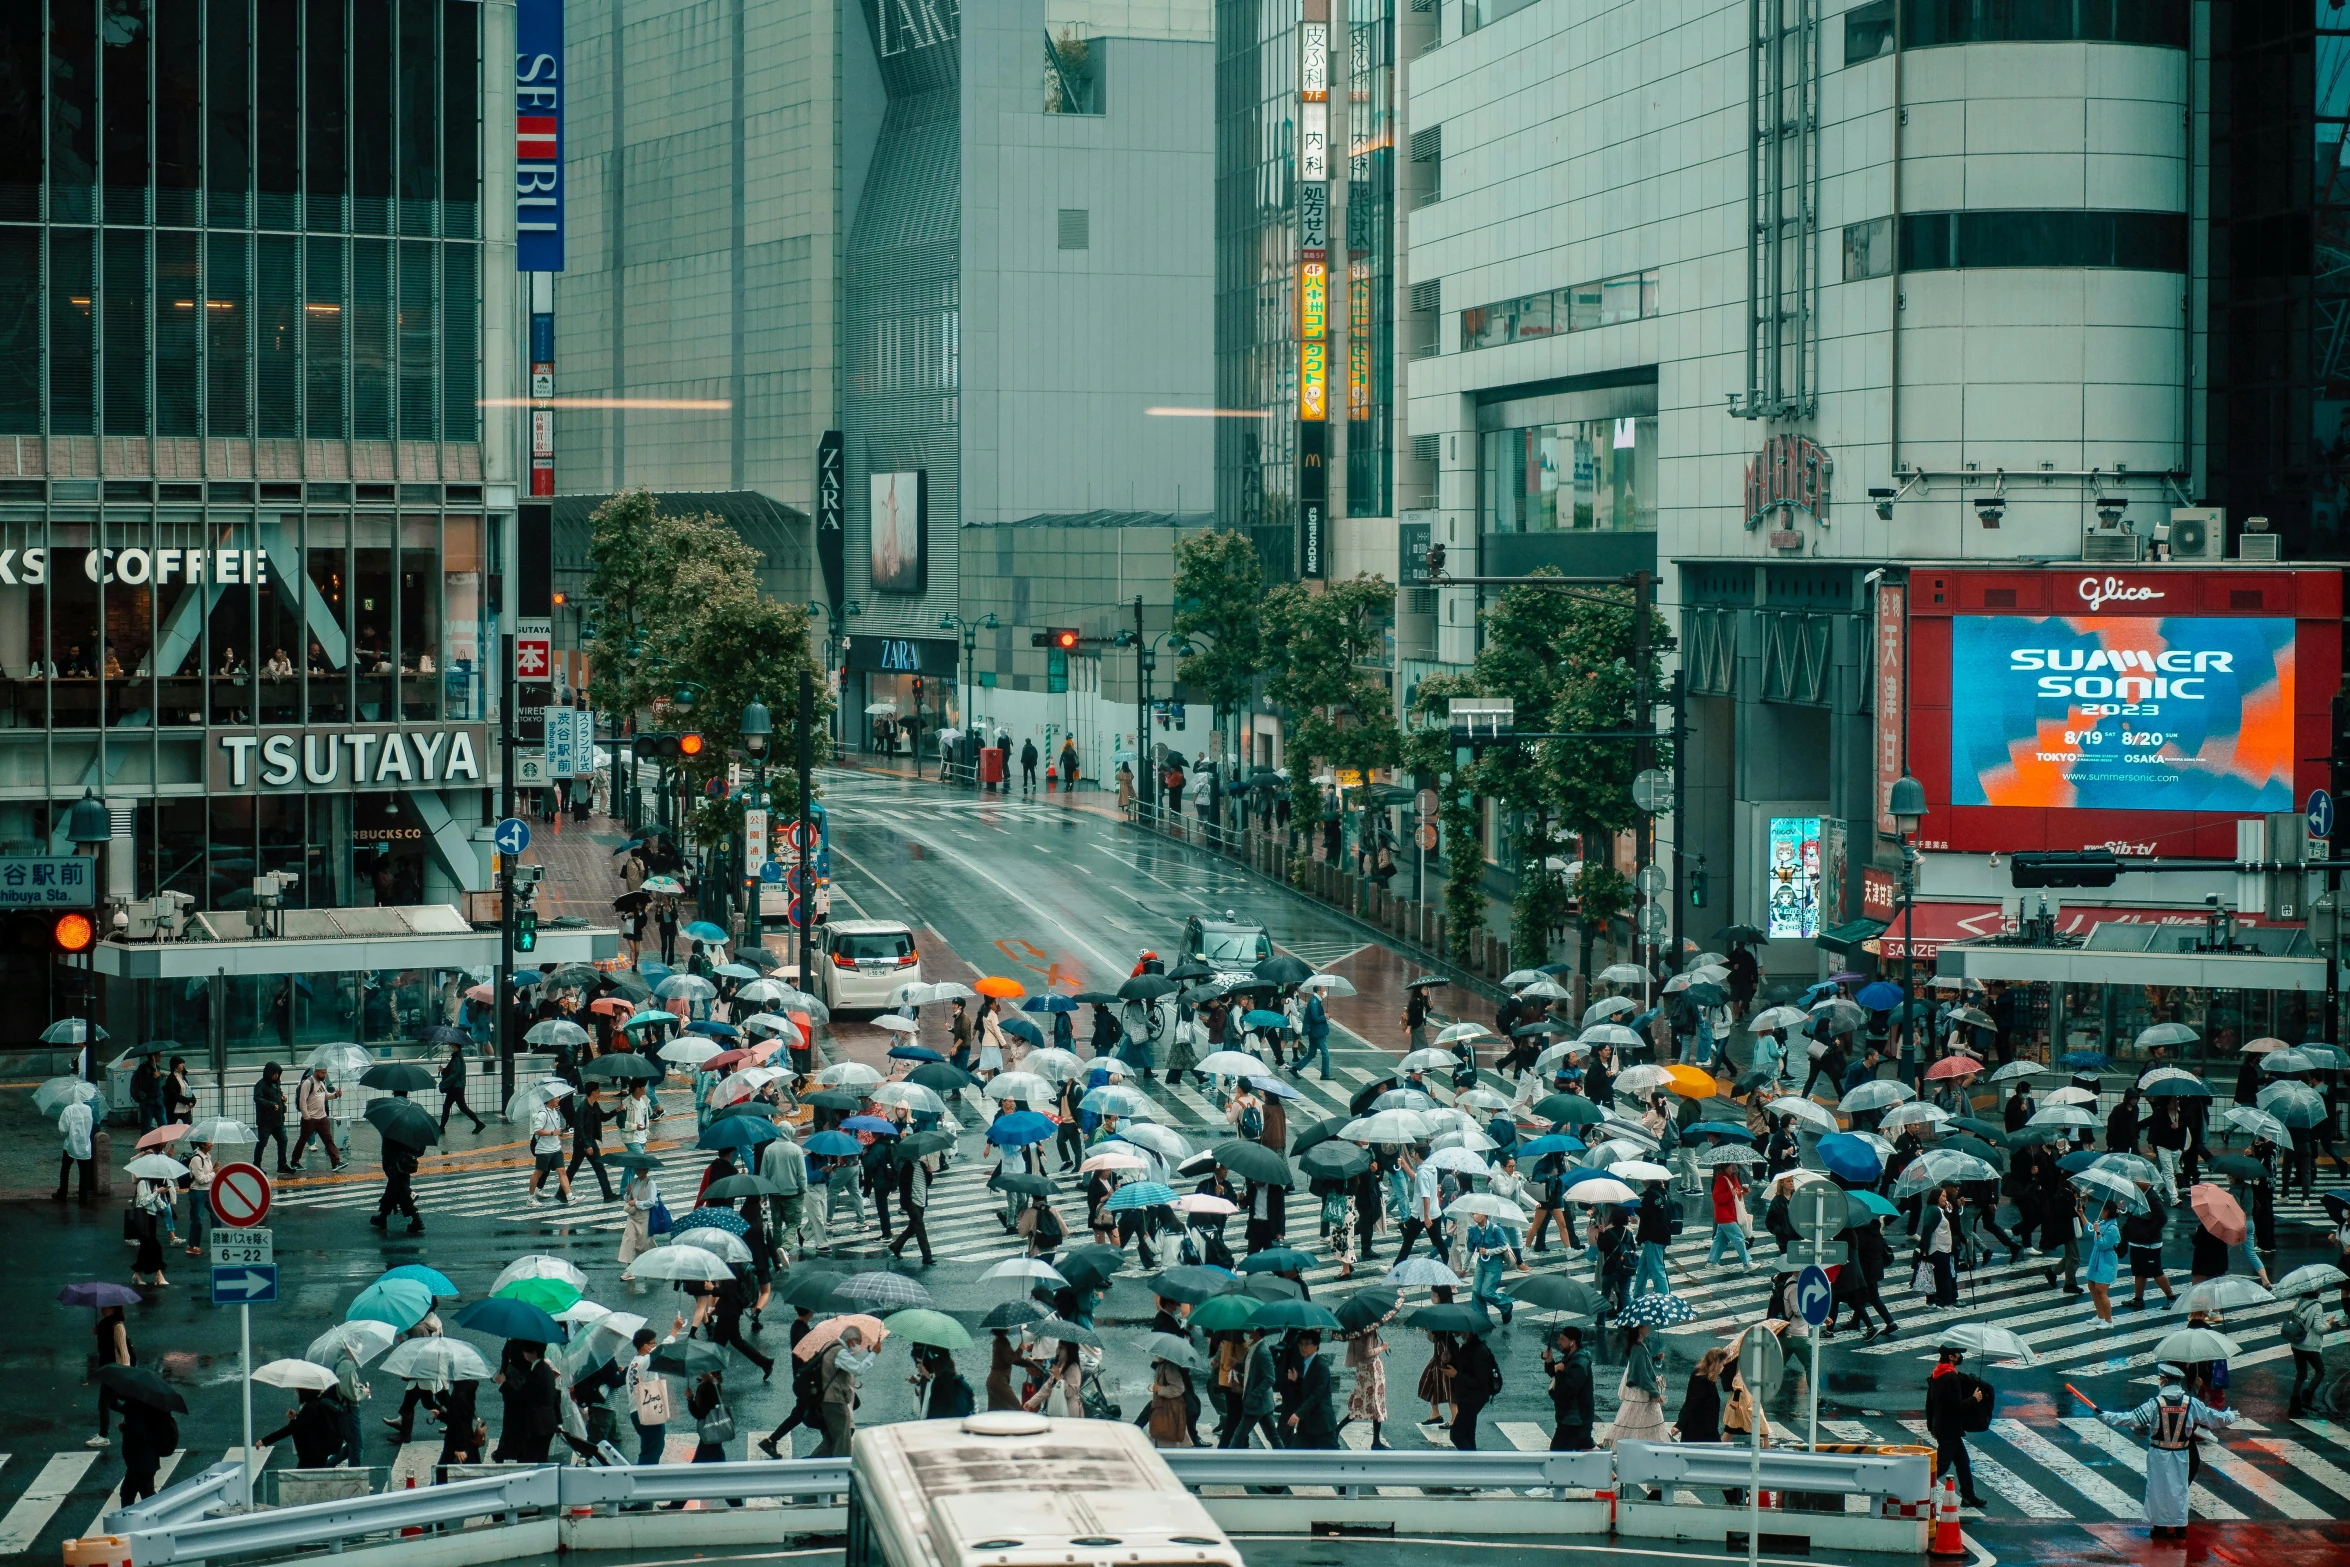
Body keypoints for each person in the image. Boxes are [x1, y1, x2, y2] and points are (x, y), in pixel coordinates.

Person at [2098, 1364, 2236, 1539]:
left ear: (2163, 1380)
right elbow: (2213, 1418)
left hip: (2159, 1453)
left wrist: (2106, 1416)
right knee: (2180, 1489)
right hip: (2181, 1453)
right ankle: (2180, 1528)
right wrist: (2230, 1416)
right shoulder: (2191, 1403)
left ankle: (2160, 1528)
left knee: (2158, 1490)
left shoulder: (2155, 1404)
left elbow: (2131, 1419)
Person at [1924, 1344, 1991, 1511]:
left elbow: (1930, 1403)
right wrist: (1975, 1398)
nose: (1960, 1356)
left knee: (1962, 1462)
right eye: (1958, 1354)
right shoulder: (1951, 1378)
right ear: (1951, 1357)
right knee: (1941, 1465)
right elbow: (1955, 1406)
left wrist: (1931, 1425)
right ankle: (1916, 1486)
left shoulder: (1937, 1373)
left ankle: (1968, 1496)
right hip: (1949, 1428)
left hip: (1942, 1426)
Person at [495, 1342, 562, 1463]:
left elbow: (523, 1396)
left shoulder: (536, 1372)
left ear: (532, 1353)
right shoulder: (546, 1369)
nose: (524, 1354)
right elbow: (554, 1397)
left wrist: (504, 1383)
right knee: (538, 1459)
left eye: (525, 1351)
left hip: (538, 1425)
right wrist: (558, 1422)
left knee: (530, 1462)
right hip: (547, 1423)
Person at [815, 1325, 870, 1456]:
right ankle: (840, 1470)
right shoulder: (840, 1352)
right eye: (858, 1342)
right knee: (843, 1443)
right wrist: (873, 1354)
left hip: (828, 1399)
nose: (858, 1346)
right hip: (836, 1400)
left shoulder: (830, 1346)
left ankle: (808, 1463)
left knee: (832, 1439)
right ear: (851, 1340)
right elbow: (859, 1369)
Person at [1611, 1323, 1668, 1447]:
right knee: (1636, 1419)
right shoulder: (1638, 1348)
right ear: (1640, 1329)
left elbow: (1642, 1364)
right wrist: (1655, 1392)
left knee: (1635, 1420)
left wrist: (1654, 1358)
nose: (1649, 1327)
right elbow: (1642, 1374)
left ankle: (1633, 1445)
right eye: (1647, 1326)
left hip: (1640, 1392)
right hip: (1641, 1393)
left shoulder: (1640, 1345)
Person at [1446, 1328, 1499, 1451]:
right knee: (1468, 1435)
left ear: (1467, 1331)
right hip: (1466, 1397)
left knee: (1456, 1434)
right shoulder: (1467, 1347)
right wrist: (1449, 1360)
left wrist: (1456, 1375)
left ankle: (1472, 1465)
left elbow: (1480, 1382)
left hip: (1474, 1399)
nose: (1456, 1334)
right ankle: (1472, 1465)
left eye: (1457, 1331)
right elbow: (1464, 1368)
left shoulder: (1480, 1351)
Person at [1543, 1324, 1595, 1450]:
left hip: (1574, 1419)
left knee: (1557, 1455)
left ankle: (1608, 1467)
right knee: (1583, 1452)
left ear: (1572, 1342)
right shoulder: (1572, 1357)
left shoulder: (1579, 1363)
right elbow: (1559, 1371)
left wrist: (1559, 1371)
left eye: (1562, 1339)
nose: (1558, 1342)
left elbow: (1568, 1388)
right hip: (1571, 1418)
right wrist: (1550, 1362)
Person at [1284, 1331, 1338, 1448]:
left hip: (1322, 1423)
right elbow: (1306, 1389)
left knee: (1334, 1461)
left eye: (1307, 1344)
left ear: (1316, 1345)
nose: (1303, 1347)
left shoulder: (1321, 1366)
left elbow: (1317, 1394)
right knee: (1296, 1457)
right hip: (1307, 1424)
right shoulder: (1304, 1364)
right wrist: (1296, 1381)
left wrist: (1298, 1413)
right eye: (1301, 1344)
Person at [1338, 1331, 1389, 1448]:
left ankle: (1337, 1429)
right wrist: (1382, 1347)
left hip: (1362, 1369)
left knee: (1359, 1403)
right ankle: (1376, 1442)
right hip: (1372, 1371)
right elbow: (1368, 1352)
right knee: (1377, 1403)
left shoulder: (1358, 1330)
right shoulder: (1370, 1331)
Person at [568, 1083, 616, 1201]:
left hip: (589, 1141)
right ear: (593, 1092)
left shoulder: (594, 1105)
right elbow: (580, 1128)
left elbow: (603, 1117)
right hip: (582, 1144)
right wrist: (587, 1145)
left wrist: (616, 1111)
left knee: (598, 1167)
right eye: (598, 1090)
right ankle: (561, 1192)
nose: (600, 1092)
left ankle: (608, 1194)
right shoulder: (583, 1108)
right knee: (573, 1168)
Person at [289, 1065, 344, 1170]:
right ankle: (294, 1161)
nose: (324, 1075)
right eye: (322, 1073)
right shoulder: (308, 1083)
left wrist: (336, 1095)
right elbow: (302, 1101)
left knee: (328, 1140)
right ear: (316, 1072)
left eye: (325, 1072)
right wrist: (306, 1116)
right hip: (310, 1118)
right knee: (302, 1140)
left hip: (322, 1117)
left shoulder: (322, 1083)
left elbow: (325, 1095)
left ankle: (336, 1162)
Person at [372, 1135, 423, 1233]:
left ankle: (417, 1219)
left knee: (402, 1191)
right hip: (406, 1163)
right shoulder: (412, 1129)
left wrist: (386, 1165)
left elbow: (387, 1149)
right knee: (392, 1191)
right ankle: (382, 1217)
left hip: (396, 1164)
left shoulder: (392, 1132)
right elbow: (420, 1150)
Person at [528, 1093, 572, 1204]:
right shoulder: (543, 1114)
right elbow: (537, 1130)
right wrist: (552, 1133)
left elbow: (556, 1129)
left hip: (555, 1148)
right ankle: (530, 1198)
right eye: (556, 1097)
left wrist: (558, 1136)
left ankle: (570, 1197)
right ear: (549, 1100)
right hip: (544, 1149)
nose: (558, 1099)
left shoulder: (555, 1112)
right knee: (538, 1172)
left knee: (562, 1171)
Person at [53, 1094, 96, 1202]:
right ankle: (83, 1196)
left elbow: (63, 1129)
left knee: (65, 1169)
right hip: (84, 1144)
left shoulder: (68, 1109)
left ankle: (63, 1193)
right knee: (83, 1171)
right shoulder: (88, 1109)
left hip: (70, 1144)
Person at [1707, 1163, 1751, 1269]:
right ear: (1725, 1166)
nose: (1735, 1167)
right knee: (1739, 1238)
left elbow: (1736, 1194)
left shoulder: (1733, 1177)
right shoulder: (1721, 1179)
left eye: (1735, 1165)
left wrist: (1742, 1192)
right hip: (1725, 1215)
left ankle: (1712, 1262)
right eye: (1732, 1165)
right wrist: (1729, 1194)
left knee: (1721, 1240)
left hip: (1730, 1213)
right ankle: (1747, 1263)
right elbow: (1717, 1197)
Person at [253, 1062, 291, 1172]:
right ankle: (256, 1165)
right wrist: (271, 1105)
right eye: (274, 1074)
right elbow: (258, 1098)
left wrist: (282, 1099)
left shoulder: (276, 1083)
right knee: (262, 1143)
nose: (276, 1076)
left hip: (278, 1120)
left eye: (278, 1074)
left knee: (283, 1140)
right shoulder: (261, 1084)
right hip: (265, 1121)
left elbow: (277, 1095)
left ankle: (282, 1164)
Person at [440, 1046, 485, 1133]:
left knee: (462, 1107)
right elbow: (453, 1071)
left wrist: (443, 1083)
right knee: (447, 1106)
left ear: (455, 1046)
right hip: (455, 1086)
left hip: (457, 1087)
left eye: (450, 1044)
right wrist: (444, 1070)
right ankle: (441, 1127)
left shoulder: (457, 1058)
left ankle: (479, 1123)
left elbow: (455, 1074)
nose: (449, 1046)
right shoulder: (456, 1057)